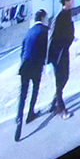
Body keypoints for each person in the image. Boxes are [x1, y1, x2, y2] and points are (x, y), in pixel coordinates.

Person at [15, 10, 51, 141]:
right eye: (45, 18)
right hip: (36, 65)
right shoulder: (44, 30)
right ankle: (30, 113)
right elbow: (45, 49)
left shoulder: (28, 31)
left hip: (25, 65)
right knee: (35, 89)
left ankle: (19, 118)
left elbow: (23, 50)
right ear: (42, 18)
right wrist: (46, 64)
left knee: (23, 94)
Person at [48, 0, 78, 119]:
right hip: (58, 54)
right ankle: (61, 110)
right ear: (66, 1)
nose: (73, 1)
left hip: (65, 51)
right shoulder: (59, 17)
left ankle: (53, 104)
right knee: (60, 81)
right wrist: (49, 60)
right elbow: (51, 37)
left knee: (65, 77)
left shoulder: (68, 13)